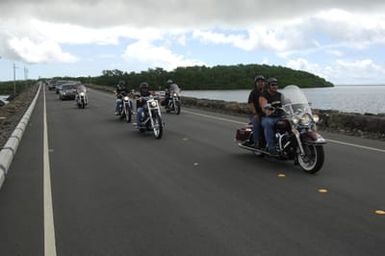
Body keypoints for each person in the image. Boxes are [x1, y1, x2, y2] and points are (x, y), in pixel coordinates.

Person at [259, 77, 283, 155]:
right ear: (268, 86)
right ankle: (271, 148)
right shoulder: (264, 95)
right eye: (273, 85)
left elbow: (288, 103)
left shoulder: (280, 95)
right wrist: (267, 110)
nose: (275, 86)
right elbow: (264, 107)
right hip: (268, 117)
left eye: (276, 85)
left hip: (279, 116)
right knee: (268, 123)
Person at [246, 75, 266, 148]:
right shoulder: (253, 92)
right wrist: (255, 113)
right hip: (255, 114)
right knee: (257, 122)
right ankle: (256, 143)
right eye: (259, 82)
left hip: (265, 113)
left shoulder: (266, 92)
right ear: (256, 83)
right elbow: (250, 104)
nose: (261, 83)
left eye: (262, 81)